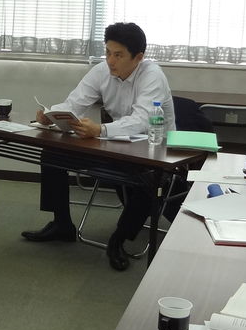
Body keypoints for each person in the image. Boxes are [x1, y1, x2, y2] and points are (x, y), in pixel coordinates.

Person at [20, 22, 175, 272]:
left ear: (138, 57)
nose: (110, 61)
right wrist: (50, 115)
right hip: (118, 143)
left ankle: (119, 239)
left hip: (155, 149)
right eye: (108, 52)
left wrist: (100, 130)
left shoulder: (152, 76)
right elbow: (75, 103)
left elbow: (141, 121)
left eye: (118, 55)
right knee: (52, 154)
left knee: (148, 178)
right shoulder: (102, 70)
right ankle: (62, 224)